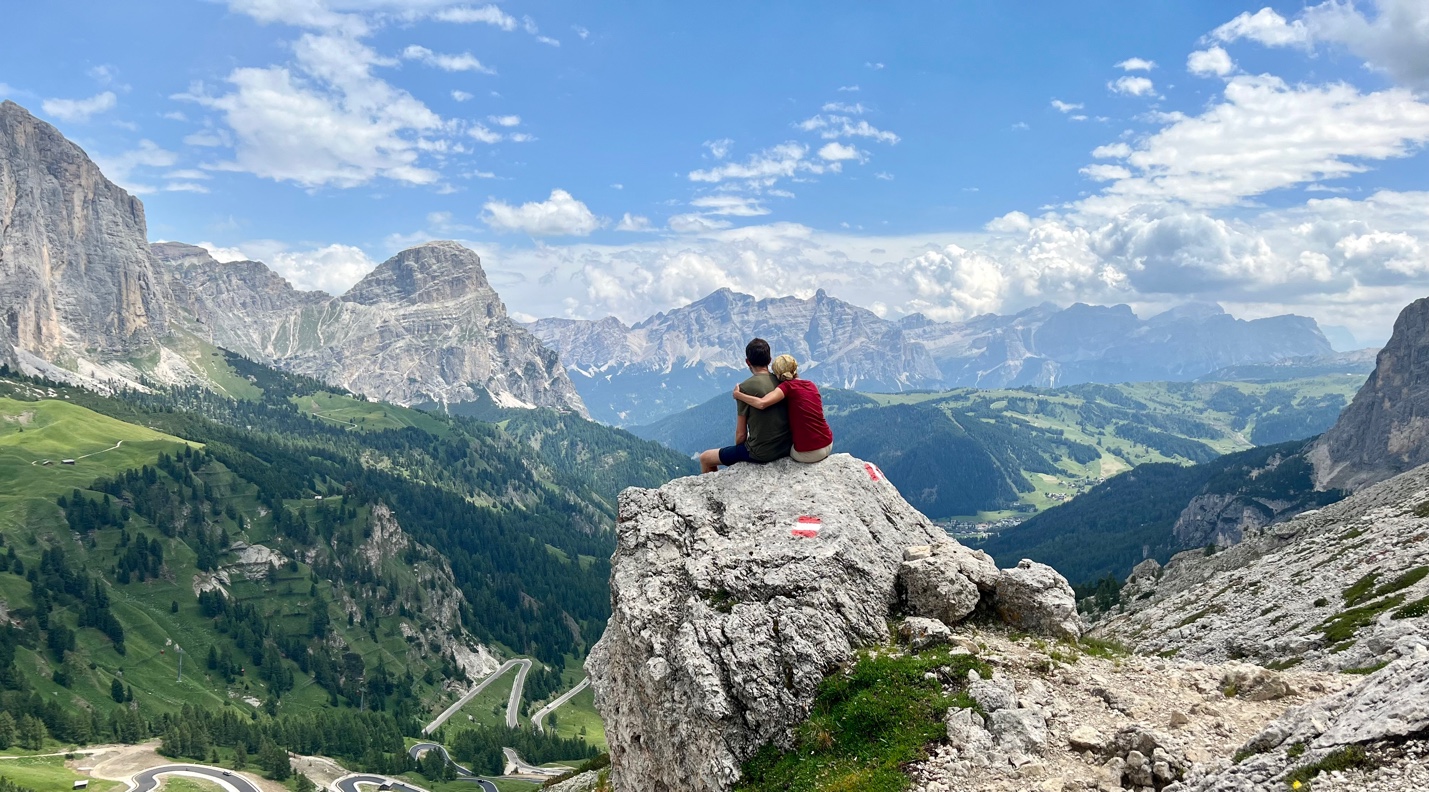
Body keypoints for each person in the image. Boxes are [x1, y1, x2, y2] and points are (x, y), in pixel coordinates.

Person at [698, 338, 793, 473]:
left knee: (705, 458)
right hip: (787, 447)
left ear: (747, 362)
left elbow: (741, 434)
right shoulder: (783, 382)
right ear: (770, 359)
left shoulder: (744, 388)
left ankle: (713, 492)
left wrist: (739, 454)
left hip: (761, 453)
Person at [732, 354, 833, 464]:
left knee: (780, 450)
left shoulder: (787, 387)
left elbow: (762, 403)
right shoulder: (811, 384)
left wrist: (738, 395)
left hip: (808, 453)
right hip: (828, 442)